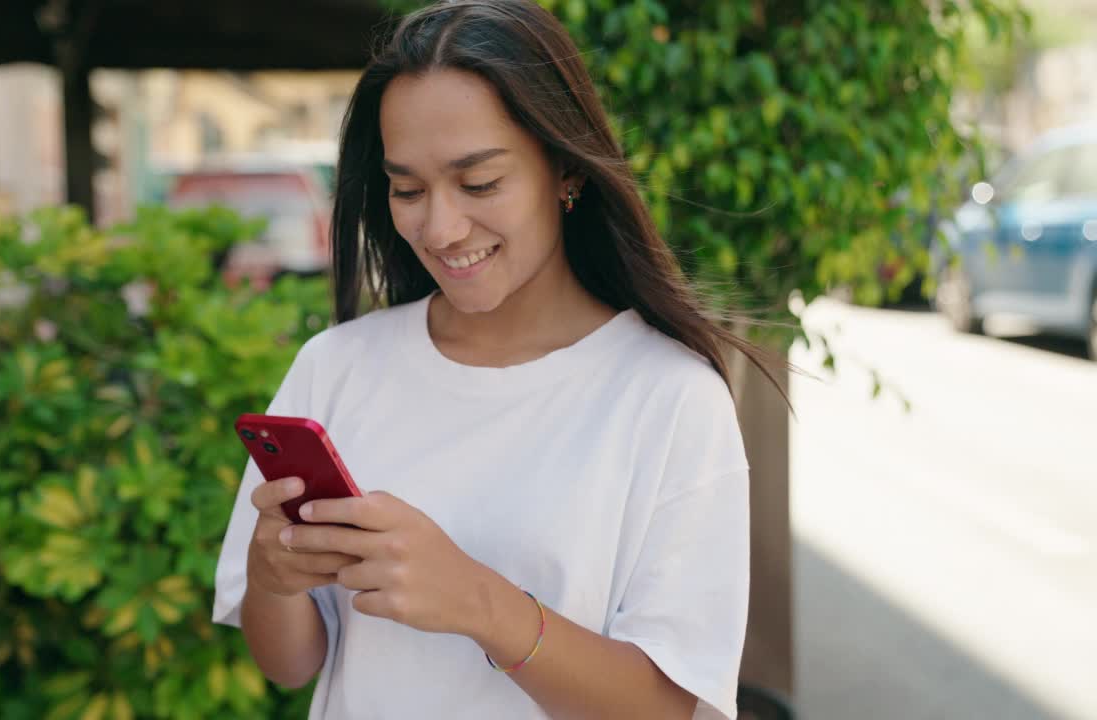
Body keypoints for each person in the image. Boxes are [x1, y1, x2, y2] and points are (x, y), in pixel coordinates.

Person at [214, 1, 782, 718]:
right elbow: (291, 665)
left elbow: (666, 709)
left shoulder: (667, 397)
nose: (441, 227)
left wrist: (481, 603)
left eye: (479, 183)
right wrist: (273, 576)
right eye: (408, 189)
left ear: (565, 169)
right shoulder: (335, 367)